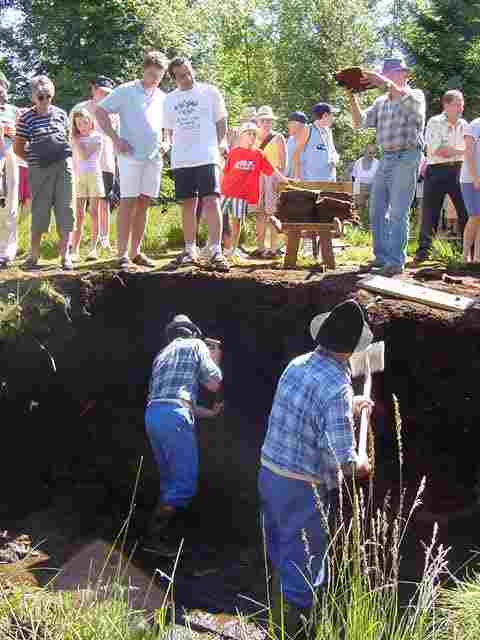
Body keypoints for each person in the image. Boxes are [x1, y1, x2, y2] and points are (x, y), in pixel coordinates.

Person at [258, 299, 373, 639]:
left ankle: (278, 617)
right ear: (352, 349)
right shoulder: (336, 386)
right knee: (305, 564)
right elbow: (346, 462)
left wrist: (350, 406)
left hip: (269, 473)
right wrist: (362, 463)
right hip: (301, 487)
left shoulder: (297, 365)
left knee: (281, 548)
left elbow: (306, 409)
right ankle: (296, 630)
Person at [144, 314, 223, 557]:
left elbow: (174, 398)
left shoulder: (162, 355)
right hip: (174, 417)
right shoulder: (196, 345)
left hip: (154, 415)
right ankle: (153, 537)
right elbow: (214, 383)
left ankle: (162, 535)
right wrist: (215, 357)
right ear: (192, 332)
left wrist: (209, 413)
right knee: (184, 485)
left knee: (169, 481)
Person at [347, 57, 426, 276]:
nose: (388, 77)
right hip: (387, 158)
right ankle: (381, 258)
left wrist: (381, 81)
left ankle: (395, 261)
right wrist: (351, 97)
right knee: (376, 209)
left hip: (408, 155)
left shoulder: (415, 95)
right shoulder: (381, 101)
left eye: (392, 73)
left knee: (398, 211)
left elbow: (409, 105)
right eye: (386, 73)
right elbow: (359, 123)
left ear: (404, 74)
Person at [96, 50, 169, 269]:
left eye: (159, 76)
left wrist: (167, 143)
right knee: (128, 202)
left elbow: (168, 127)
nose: (154, 79)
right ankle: (121, 255)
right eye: (151, 74)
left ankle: (136, 252)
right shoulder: (126, 90)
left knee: (144, 203)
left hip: (154, 157)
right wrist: (115, 139)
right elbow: (101, 111)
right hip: (129, 156)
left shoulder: (163, 97)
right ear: (144, 70)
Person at [163, 56, 229, 272]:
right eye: (182, 75)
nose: (188, 77)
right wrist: (167, 147)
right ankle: (190, 248)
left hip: (207, 155)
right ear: (174, 78)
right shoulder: (169, 100)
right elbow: (168, 130)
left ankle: (215, 249)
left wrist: (218, 146)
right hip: (182, 158)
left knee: (212, 200)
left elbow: (221, 121)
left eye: (189, 72)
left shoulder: (210, 92)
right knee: (188, 204)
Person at [14, 76, 75, 271]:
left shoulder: (61, 114)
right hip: (38, 170)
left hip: (63, 167)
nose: (45, 99)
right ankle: (33, 255)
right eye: (40, 96)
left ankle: (65, 255)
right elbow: (18, 148)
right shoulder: (26, 118)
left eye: (48, 95)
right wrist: (35, 161)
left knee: (66, 210)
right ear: (33, 97)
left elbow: (66, 140)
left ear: (53, 94)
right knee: (40, 210)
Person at [415, 90, 468, 262]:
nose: (461, 108)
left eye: (462, 103)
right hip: (436, 170)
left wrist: (460, 153)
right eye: (457, 104)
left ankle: (467, 252)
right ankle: (423, 252)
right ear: (446, 105)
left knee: (465, 212)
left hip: (459, 170)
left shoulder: (464, 124)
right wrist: (464, 151)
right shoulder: (435, 122)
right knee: (431, 213)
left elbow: (461, 151)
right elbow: (440, 150)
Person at [221, 121, 288, 258]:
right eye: (248, 133)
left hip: (241, 195)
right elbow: (224, 171)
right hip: (226, 192)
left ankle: (232, 250)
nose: (251, 136)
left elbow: (271, 170)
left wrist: (285, 180)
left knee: (237, 221)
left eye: (254, 134)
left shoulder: (259, 154)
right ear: (241, 135)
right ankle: (214, 246)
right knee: (219, 219)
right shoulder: (233, 153)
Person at [71, 75, 118, 254]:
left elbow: (118, 136)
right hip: (81, 166)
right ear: (93, 89)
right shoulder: (79, 108)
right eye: (101, 91)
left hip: (106, 162)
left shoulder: (114, 111)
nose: (105, 96)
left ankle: (103, 241)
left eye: (108, 93)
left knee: (104, 203)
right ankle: (75, 244)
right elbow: (71, 136)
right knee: (81, 207)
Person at [250, 105, 287, 259]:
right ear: (258, 121)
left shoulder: (278, 137)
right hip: (256, 177)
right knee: (259, 213)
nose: (266, 123)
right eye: (263, 120)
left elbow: (284, 163)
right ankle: (260, 248)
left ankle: (273, 248)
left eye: (269, 120)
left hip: (273, 177)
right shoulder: (252, 137)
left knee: (272, 213)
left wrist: (281, 181)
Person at [70, 108, 104, 261]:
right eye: (79, 124)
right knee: (79, 215)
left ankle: (93, 248)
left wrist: (76, 141)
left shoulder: (97, 137)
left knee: (94, 212)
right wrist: (74, 140)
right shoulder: (74, 139)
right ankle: (74, 250)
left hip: (94, 176)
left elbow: (85, 155)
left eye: (85, 122)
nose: (82, 126)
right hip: (79, 177)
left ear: (91, 122)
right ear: (75, 126)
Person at [0, 76, 19, 268]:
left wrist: (14, 133)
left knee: (10, 206)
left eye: (3, 87)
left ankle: (6, 252)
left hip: (10, 159)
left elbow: (22, 136)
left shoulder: (14, 111)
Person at [460, 116, 480, 262]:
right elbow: (469, 153)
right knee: (474, 215)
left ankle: (477, 257)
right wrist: (475, 178)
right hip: (470, 179)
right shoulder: (475, 125)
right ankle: (464, 256)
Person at [352, 144, 379, 211]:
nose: (371, 155)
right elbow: (353, 177)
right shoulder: (358, 162)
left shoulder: (377, 163)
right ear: (365, 151)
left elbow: (379, 178)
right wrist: (356, 193)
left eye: (373, 153)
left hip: (372, 187)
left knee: (372, 207)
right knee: (358, 206)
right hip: (359, 187)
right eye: (369, 152)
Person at [285, 111, 308, 179]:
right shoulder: (290, 140)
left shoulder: (309, 141)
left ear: (299, 125)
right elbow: (288, 162)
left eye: (290, 123)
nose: (288, 126)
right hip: (291, 180)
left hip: (306, 182)